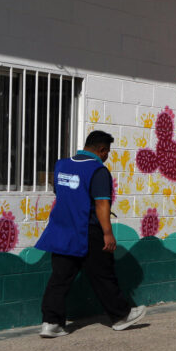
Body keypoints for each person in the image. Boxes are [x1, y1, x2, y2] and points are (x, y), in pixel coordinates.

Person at [36, 130, 145, 337]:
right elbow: (102, 203)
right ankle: (121, 316)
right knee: (103, 275)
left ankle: (51, 323)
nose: (107, 156)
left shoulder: (61, 165)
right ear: (102, 150)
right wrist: (108, 233)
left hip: (61, 229)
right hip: (87, 231)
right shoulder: (98, 170)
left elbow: (62, 194)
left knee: (60, 278)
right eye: (108, 152)